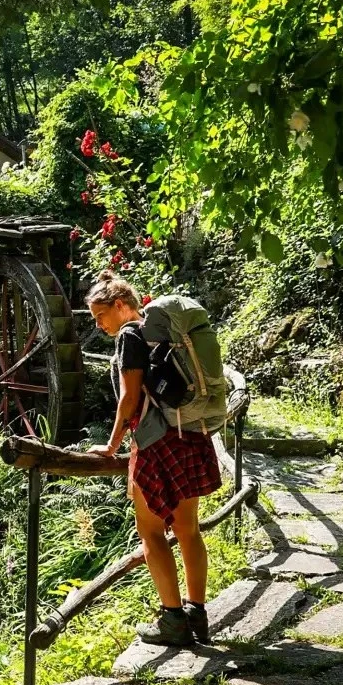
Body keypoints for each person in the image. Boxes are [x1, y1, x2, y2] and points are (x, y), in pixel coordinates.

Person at [85, 271, 222, 646]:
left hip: (157, 443)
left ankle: (173, 620)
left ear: (119, 305)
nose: (99, 325)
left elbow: (130, 398)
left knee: (150, 531)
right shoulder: (158, 332)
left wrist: (111, 446)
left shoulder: (130, 335)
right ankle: (197, 614)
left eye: (100, 316)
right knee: (188, 529)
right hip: (188, 433)